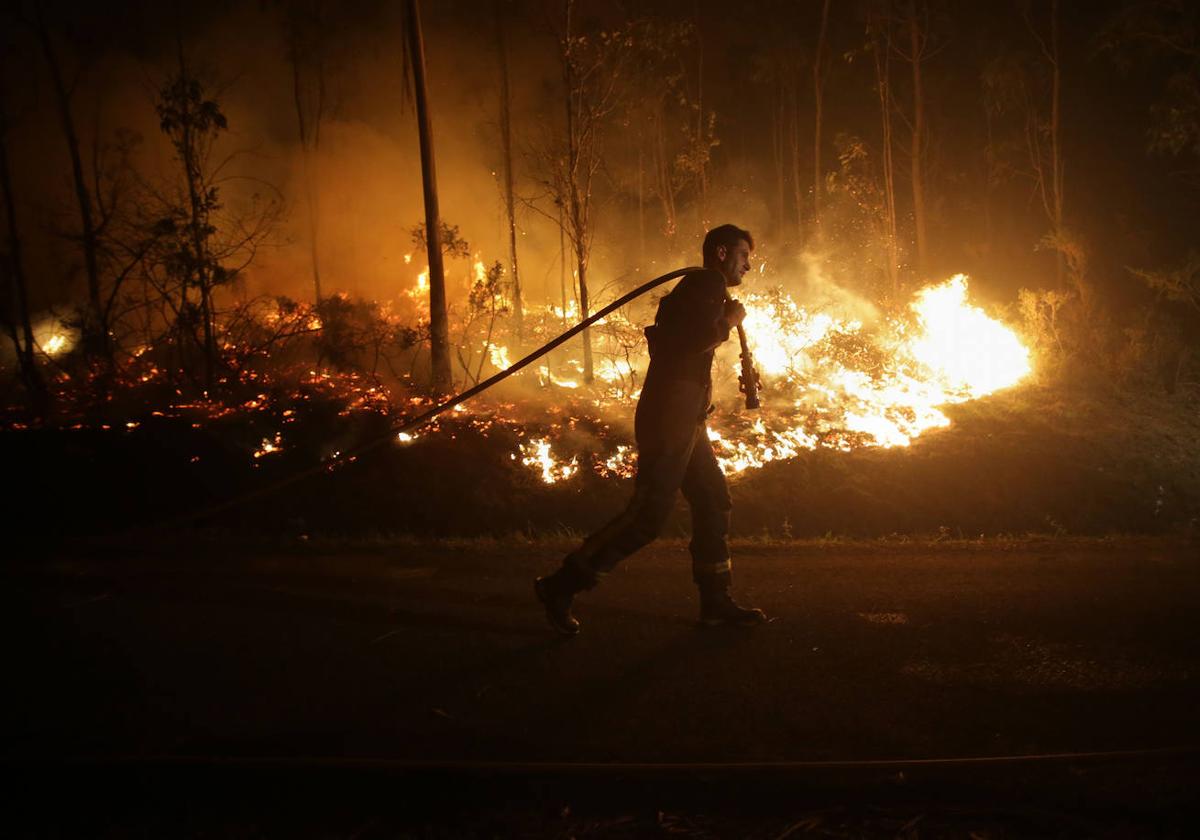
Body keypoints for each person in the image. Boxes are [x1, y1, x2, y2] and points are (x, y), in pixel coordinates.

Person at [535, 224, 767, 635]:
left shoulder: (702, 289)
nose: (748, 264)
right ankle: (560, 586)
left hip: (686, 417)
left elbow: (681, 346)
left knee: (713, 500)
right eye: (743, 255)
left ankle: (715, 602)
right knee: (648, 516)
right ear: (720, 253)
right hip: (670, 418)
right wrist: (727, 322)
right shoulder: (706, 285)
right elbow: (685, 344)